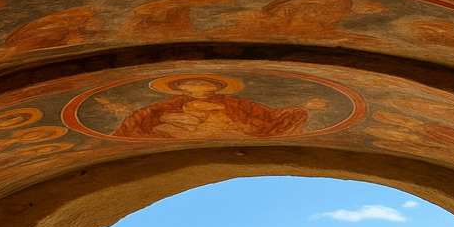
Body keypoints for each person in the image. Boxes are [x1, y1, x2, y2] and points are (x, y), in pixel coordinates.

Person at [105, 75, 324, 139]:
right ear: (183, 89)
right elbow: (147, 116)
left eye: (202, 84)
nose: (197, 88)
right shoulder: (171, 105)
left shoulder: (235, 103)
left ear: (214, 87)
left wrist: (305, 107)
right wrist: (130, 113)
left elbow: (267, 115)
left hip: (230, 130)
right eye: (191, 85)